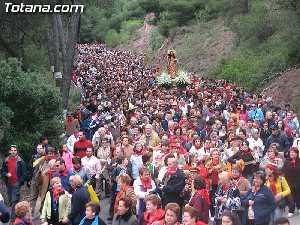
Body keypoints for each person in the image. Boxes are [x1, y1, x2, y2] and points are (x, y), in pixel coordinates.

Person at [1, 145, 27, 220]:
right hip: (8, 183)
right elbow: (2, 171)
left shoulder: (20, 161)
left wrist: (19, 182)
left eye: (15, 150)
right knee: (11, 201)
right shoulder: (6, 160)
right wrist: (6, 174)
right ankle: (18, 216)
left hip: (16, 183)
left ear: (17, 151)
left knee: (14, 201)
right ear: (9, 151)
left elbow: (24, 174)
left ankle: (12, 219)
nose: (13, 151)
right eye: (12, 150)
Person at [282, 147, 300, 217]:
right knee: (290, 197)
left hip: (298, 182)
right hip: (289, 182)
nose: (291, 153)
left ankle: (299, 207)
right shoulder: (286, 161)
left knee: (298, 196)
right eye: (290, 152)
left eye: (293, 152)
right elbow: (283, 171)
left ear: (297, 153)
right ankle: (291, 210)